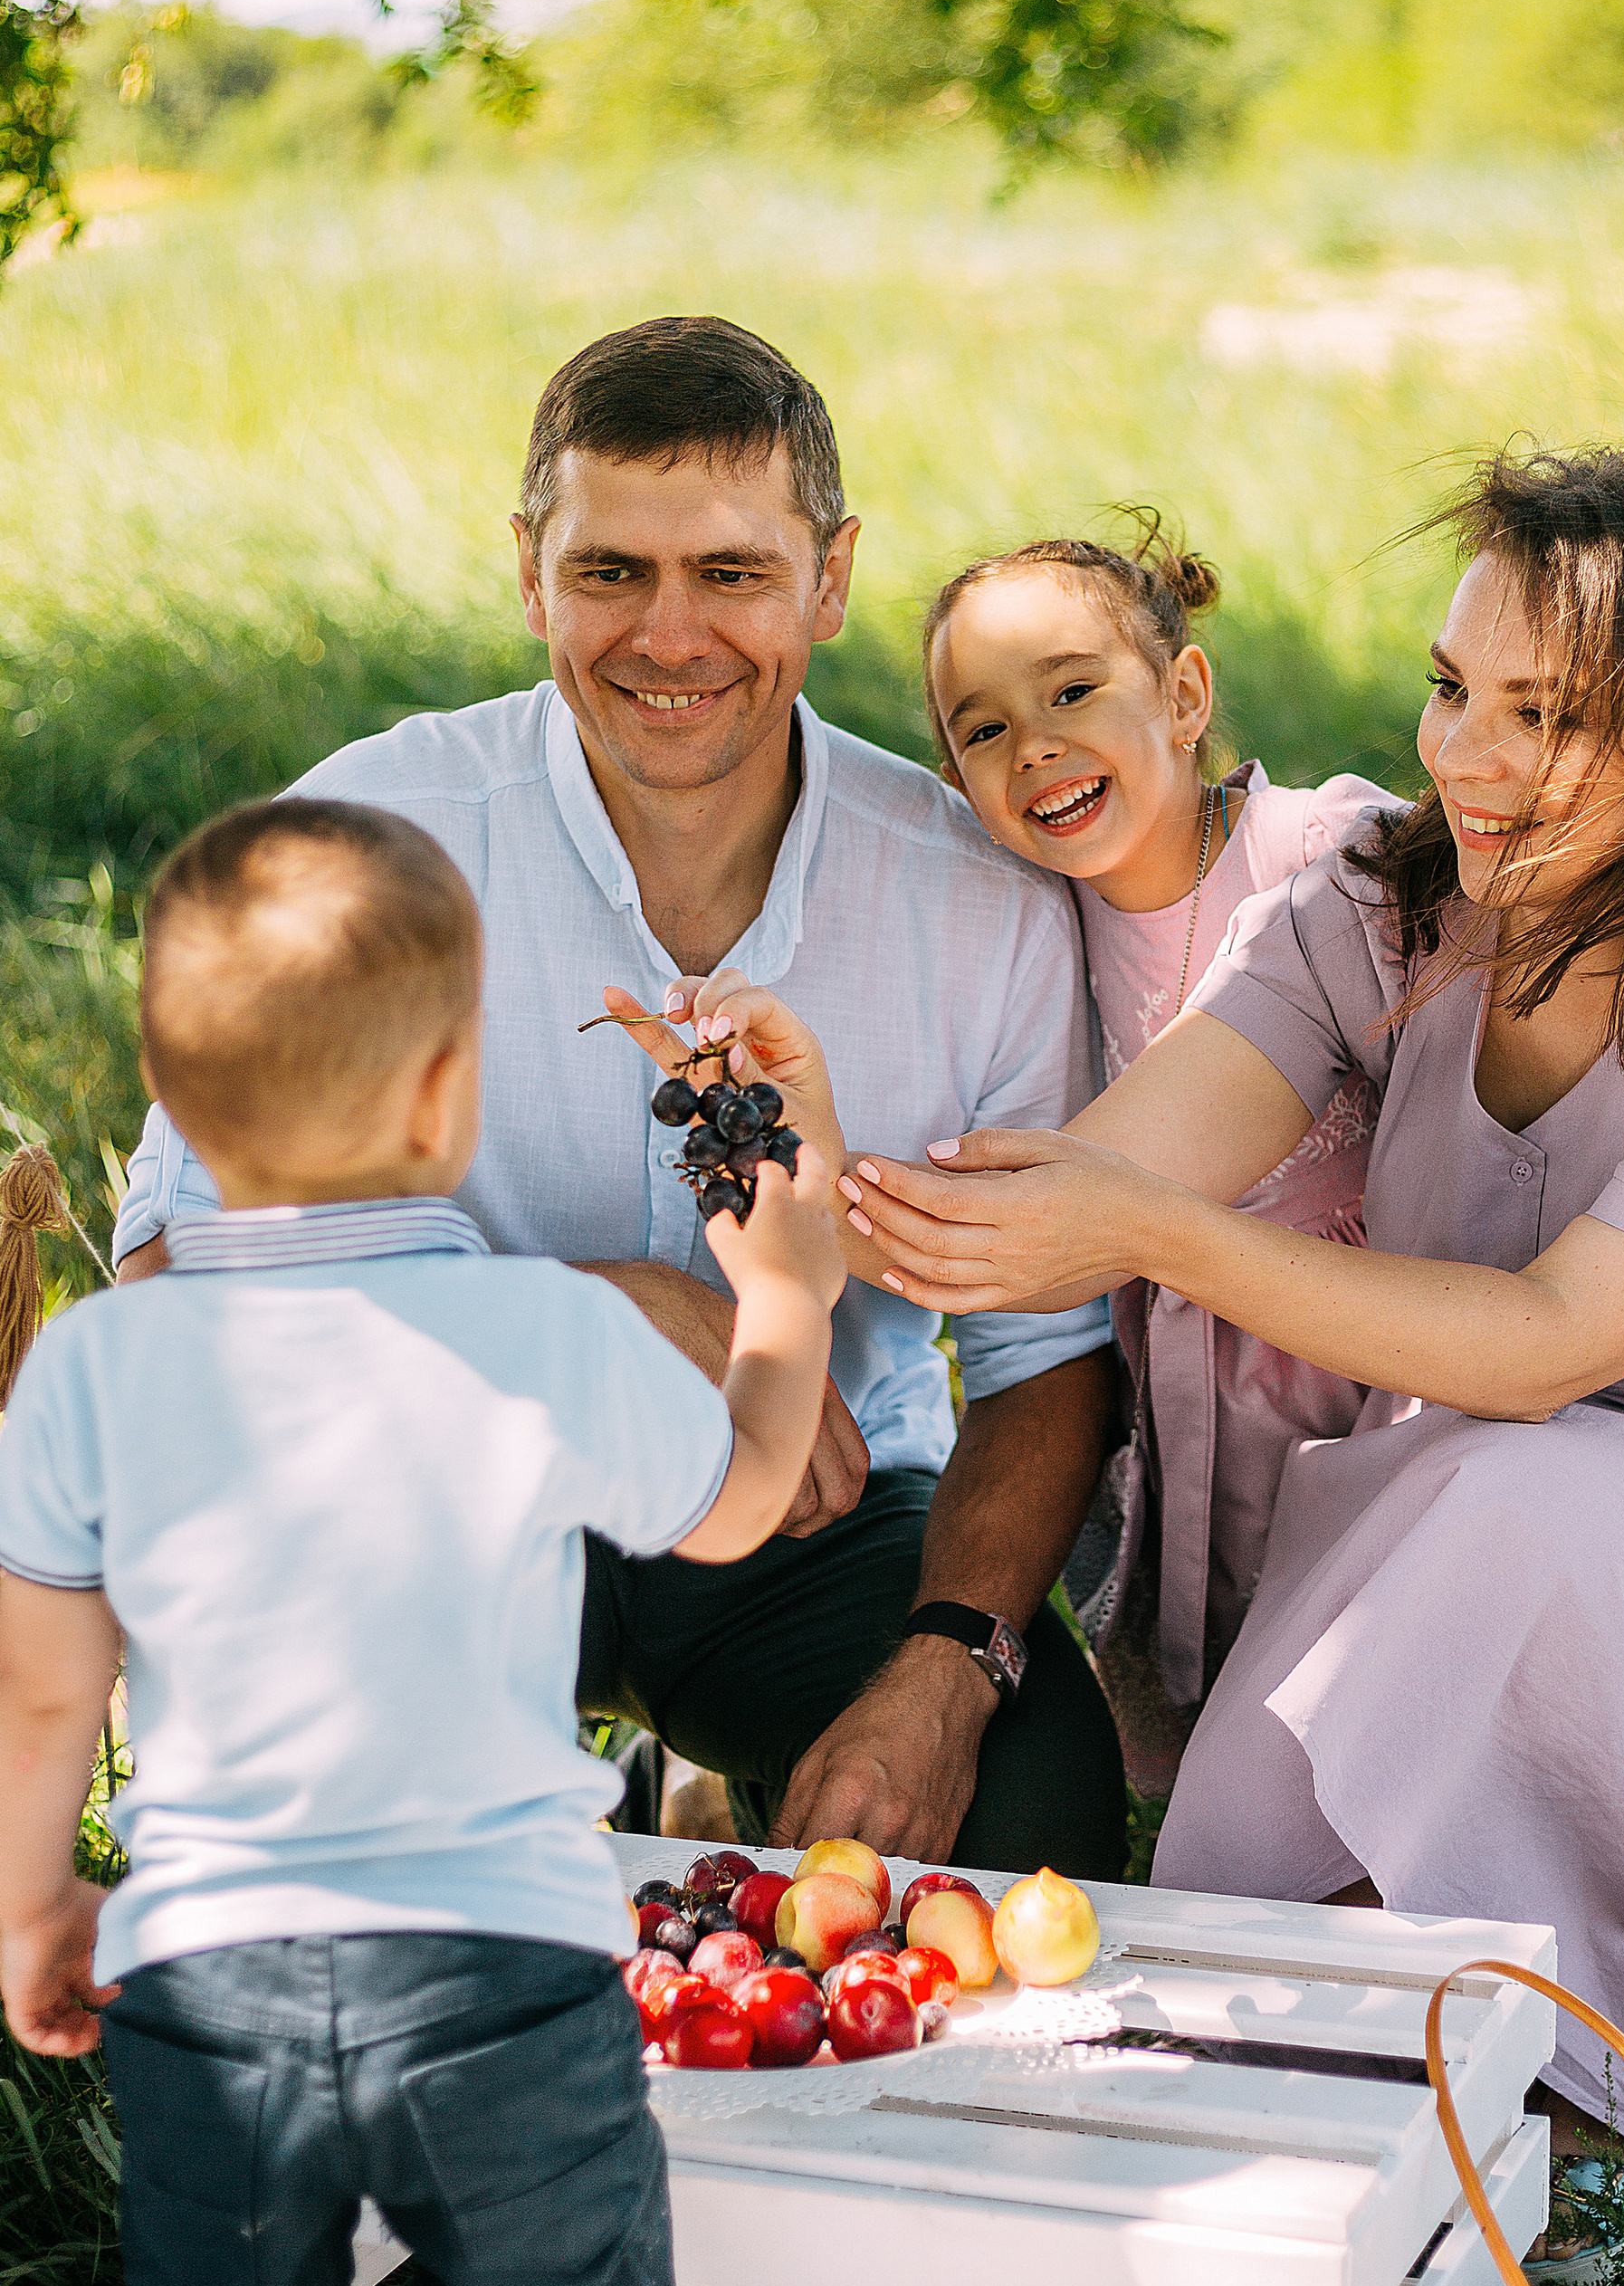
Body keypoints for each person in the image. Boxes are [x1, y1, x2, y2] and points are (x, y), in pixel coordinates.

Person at [830, 447, 1624, 2183]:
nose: (1459, 758)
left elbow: (1551, 1339)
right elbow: (1093, 1181)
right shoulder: (1374, 908)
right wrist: (826, 1178)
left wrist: (1166, 1235)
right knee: (1232, 1914)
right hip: (1444, 1523)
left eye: (1537, 715)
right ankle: (1335, 2102)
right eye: (1449, 687)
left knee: (1520, 1498)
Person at [0, 798, 843, 2286]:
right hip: (503, 1982)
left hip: (214, 1980)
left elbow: (41, 1691)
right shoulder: (537, 1336)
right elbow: (734, 1504)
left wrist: (41, 1905)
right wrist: (782, 1284)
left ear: (172, 1102)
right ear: (448, 1095)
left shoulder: (100, 1364)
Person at [110, 317, 1126, 1882]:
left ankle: (725, 1803)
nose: (671, 637)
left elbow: (1046, 1361)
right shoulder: (371, 832)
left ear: (830, 577)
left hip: (815, 1517)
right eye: (610, 573)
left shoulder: (978, 900)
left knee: (1025, 1807)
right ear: (531, 573)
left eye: (731, 574)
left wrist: (947, 1670)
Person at [919, 523, 1395, 1790]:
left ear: (1184, 697)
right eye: (984, 729)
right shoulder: (1020, 932)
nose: (1038, 747)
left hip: (1354, 1367)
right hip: (1154, 1397)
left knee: (1360, 1699)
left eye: (1074, 691)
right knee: (1182, 1733)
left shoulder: (1322, 864)